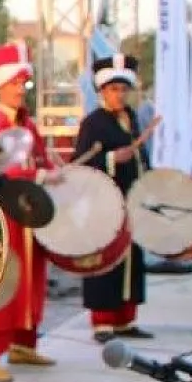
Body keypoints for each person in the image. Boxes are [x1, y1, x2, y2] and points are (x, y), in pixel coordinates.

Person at [0, 42, 55, 374]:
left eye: (24, 83)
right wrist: (40, 174)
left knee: (32, 281)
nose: (20, 90)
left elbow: (41, 159)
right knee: (6, 282)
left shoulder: (27, 122)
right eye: (14, 84)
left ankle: (25, 343)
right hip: (6, 216)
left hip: (31, 216)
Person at [77, 54, 154, 343]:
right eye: (113, 89)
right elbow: (81, 163)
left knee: (131, 259)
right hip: (104, 201)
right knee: (106, 260)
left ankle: (126, 319)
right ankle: (103, 322)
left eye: (123, 89)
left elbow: (139, 155)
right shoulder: (93, 123)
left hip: (130, 198)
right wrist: (110, 159)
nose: (119, 95)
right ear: (102, 92)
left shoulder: (132, 119)